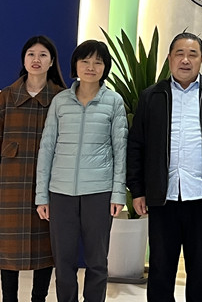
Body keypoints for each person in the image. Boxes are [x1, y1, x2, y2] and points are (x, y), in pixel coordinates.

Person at [127, 31, 202, 302]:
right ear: (169, 59)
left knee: (201, 268)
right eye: (179, 54)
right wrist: (138, 190)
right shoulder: (151, 96)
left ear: (201, 59)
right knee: (160, 268)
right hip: (162, 197)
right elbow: (136, 145)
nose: (185, 60)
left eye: (192, 54)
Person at [35, 40, 127, 302]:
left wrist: (118, 193)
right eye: (85, 61)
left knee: (97, 261)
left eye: (98, 62)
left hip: (99, 192)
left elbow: (120, 150)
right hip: (61, 192)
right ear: (75, 65)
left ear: (105, 67)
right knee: (63, 262)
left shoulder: (114, 102)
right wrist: (42, 195)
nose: (91, 67)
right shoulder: (60, 101)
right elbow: (47, 148)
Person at [0, 35, 67, 302]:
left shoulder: (62, 98)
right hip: (11, 183)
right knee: (9, 246)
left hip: (49, 183)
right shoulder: (6, 96)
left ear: (51, 61)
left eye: (42, 55)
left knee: (46, 246)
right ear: (24, 59)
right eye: (31, 54)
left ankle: (39, 298)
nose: (36, 60)